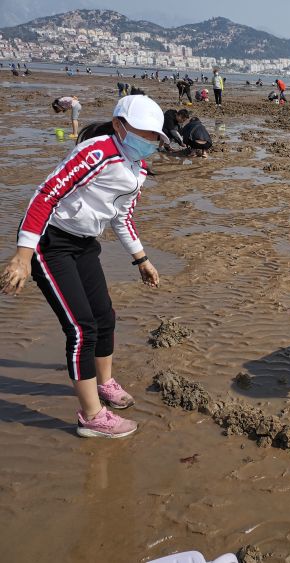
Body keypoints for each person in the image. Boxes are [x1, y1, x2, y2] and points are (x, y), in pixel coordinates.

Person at [0, 95, 167, 438]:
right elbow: (47, 194)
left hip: (84, 245)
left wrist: (142, 259)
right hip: (51, 243)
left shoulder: (138, 169)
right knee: (80, 328)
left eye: (155, 137)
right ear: (120, 126)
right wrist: (23, 255)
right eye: (144, 134)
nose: (150, 142)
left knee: (104, 317)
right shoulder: (97, 152)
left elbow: (122, 218)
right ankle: (91, 416)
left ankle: (105, 383)